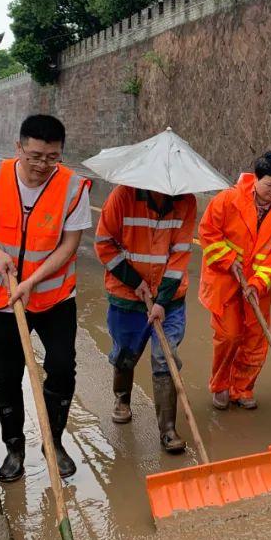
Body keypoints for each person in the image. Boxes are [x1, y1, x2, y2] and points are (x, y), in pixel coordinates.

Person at [0, 114, 92, 482]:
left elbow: (70, 244)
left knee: (63, 368)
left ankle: (54, 442)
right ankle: (14, 447)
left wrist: (33, 279)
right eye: (35, 156)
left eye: (52, 157)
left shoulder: (73, 187)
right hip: (4, 299)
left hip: (54, 299)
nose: (42, 165)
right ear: (18, 148)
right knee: (7, 376)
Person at [95, 182, 197, 453]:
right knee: (125, 353)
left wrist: (162, 301)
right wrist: (133, 280)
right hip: (127, 296)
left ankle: (167, 430)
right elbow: (104, 244)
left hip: (170, 298)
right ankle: (122, 399)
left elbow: (180, 254)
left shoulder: (186, 201)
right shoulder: (122, 196)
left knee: (166, 356)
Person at [199, 153, 271, 410]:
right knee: (229, 336)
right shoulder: (227, 200)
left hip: (258, 287)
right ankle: (220, 386)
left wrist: (256, 284)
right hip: (225, 280)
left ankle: (242, 388)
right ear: (255, 179)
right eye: (269, 185)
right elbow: (208, 232)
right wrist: (228, 259)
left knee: (255, 338)